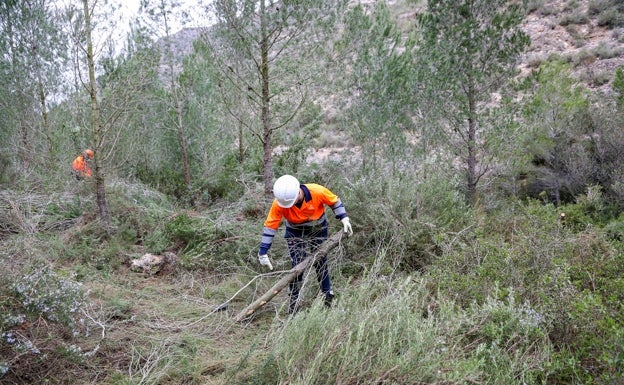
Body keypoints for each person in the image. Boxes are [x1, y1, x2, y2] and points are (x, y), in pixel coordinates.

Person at [257, 174, 353, 313]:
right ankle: (294, 303)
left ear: (298, 192)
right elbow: (271, 226)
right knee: (297, 266)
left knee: (320, 260)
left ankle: (328, 296)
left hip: (318, 228)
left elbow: (334, 201)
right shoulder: (279, 202)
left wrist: (344, 218)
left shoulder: (317, 191)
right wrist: (263, 251)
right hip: (294, 231)